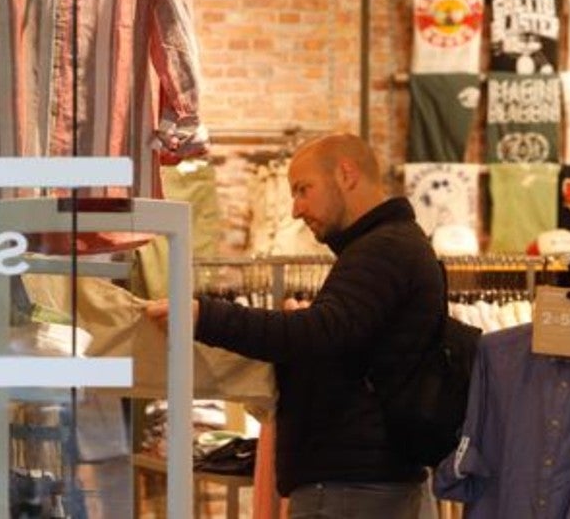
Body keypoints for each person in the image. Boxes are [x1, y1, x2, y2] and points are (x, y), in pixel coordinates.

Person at [146, 133, 445, 518]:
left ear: (346, 174)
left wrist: (207, 316)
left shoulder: (383, 249)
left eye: (304, 189)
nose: (295, 209)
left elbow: (319, 333)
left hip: (352, 490)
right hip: (369, 482)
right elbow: (338, 336)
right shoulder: (391, 247)